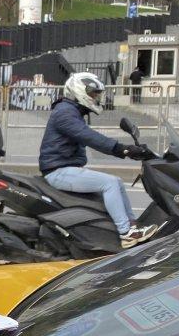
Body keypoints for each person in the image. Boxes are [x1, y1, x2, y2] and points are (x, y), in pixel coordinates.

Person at [38, 71, 157, 248]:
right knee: (108, 183)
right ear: (80, 91)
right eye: (93, 94)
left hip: (66, 168)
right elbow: (89, 137)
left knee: (116, 181)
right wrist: (122, 149)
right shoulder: (64, 113)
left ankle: (132, 225)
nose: (96, 98)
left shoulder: (72, 111)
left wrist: (133, 150)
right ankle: (126, 234)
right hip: (58, 171)